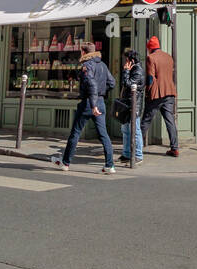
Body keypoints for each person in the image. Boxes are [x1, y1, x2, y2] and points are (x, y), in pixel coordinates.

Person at [54, 42, 115, 173]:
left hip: (88, 103)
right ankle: (110, 165)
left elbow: (92, 85)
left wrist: (93, 104)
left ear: (84, 52)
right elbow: (112, 83)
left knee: (75, 132)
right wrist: (101, 94)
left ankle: (65, 163)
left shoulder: (87, 65)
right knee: (103, 134)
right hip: (100, 102)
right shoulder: (103, 65)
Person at [142, 36, 179, 158]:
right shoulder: (168, 57)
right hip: (169, 91)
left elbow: (150, 78)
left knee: (146, 120)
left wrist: (147, 91)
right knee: (170, 121)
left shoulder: (150, 58)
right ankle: (175, 148)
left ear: (150, 48)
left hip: (157, 93)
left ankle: (136, 147)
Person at [116, 47, 144, 165]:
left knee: (135, 130)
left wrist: (126, 71)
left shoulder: (137, 70)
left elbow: (128, 84)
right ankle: (126, 154)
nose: (125, 62)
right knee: (125, 130)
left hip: (134, 105)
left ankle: (138, 155)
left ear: (131, 60)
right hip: (127, 104)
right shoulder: (133, 69)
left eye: (126, 59)